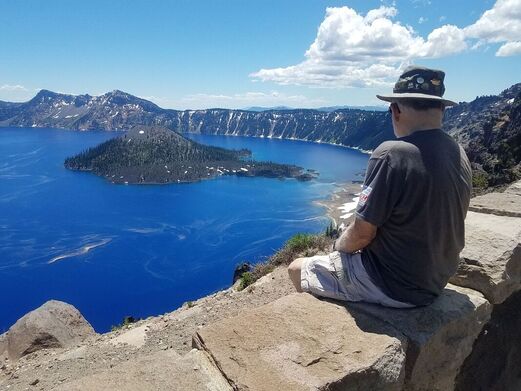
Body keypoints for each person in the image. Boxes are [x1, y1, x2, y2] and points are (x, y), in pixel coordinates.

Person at [288, 65, 472, 308]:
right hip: (436, 280)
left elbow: (363, 233)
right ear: (441, 110)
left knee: (297, 268)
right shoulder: (458, 151)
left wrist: (336, 247)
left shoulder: (391, 153)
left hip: (393, 285)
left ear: (395, 110)